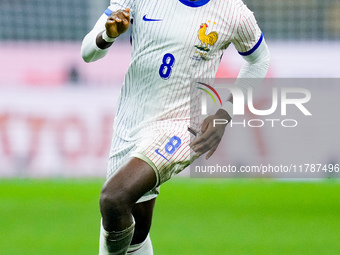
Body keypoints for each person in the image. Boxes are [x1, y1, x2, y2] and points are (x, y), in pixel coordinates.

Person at [81, 0, 270, 254]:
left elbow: (259, 60)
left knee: (114, 199)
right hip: (130, 120)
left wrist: (225, 114)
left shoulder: (233, 11)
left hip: (183, 126)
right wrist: (107, 35)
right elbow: (87, 52)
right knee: (135, 233)